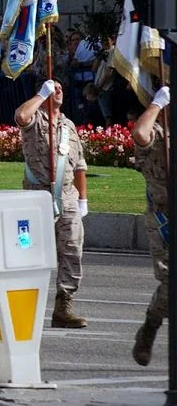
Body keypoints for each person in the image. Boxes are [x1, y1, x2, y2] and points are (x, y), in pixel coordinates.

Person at [14, 79, 89, 328]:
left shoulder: (68, 126)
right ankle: (24, 307)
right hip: (36, 196)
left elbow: (79, 165)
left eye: (60, 87)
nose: (58, 90)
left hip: (67, 196)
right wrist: (40, 94)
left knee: (72, 250)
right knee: (29, 252)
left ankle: (63, 306)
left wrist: (83, 199)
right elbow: (21, 116)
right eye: (52, 88)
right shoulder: (36, 119)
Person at [130, 85, 169, 366]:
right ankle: (150, 328)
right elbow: (140, 134)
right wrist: (158, 104)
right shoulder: (157, 133)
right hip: (165, 221)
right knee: (172, 283)